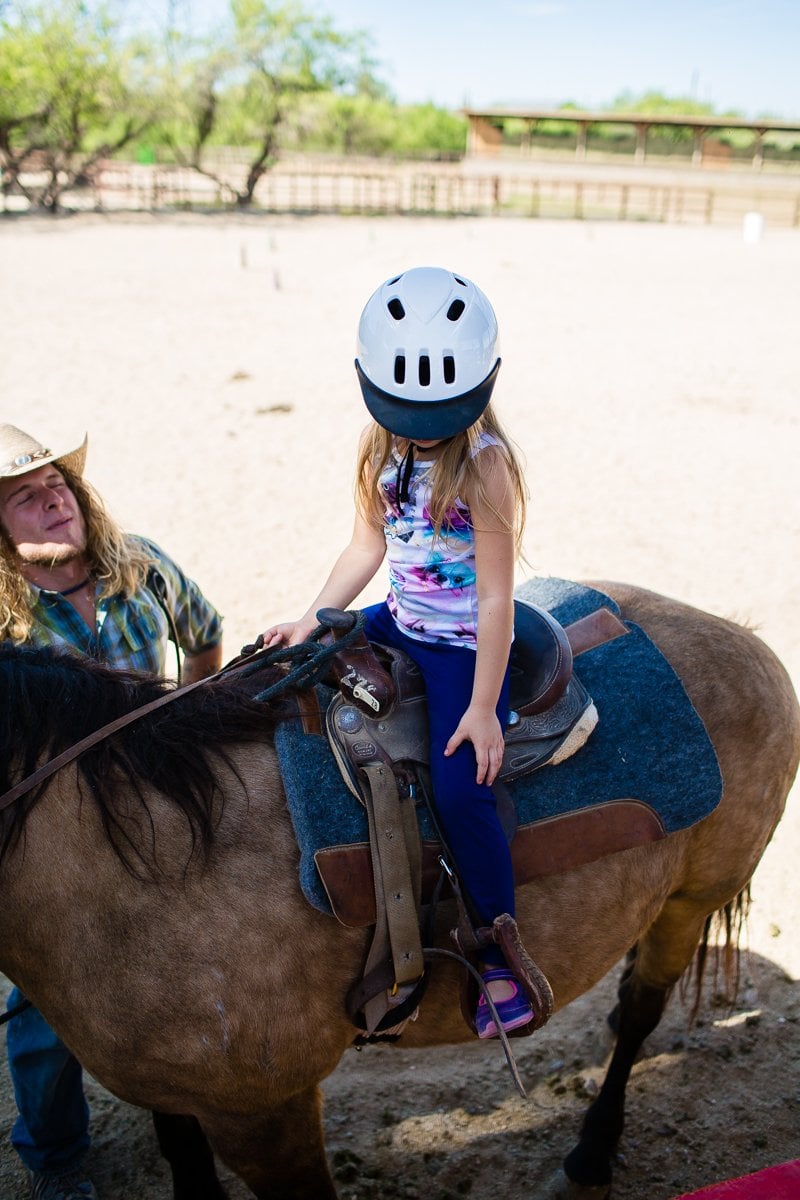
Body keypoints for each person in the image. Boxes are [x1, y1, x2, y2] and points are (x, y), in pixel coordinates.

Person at [262, 265, 543, 1040]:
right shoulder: (377, 448)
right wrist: (319, 619)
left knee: (460, 790)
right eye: (407, 411)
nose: (422, 427)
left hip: (459, 641)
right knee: (294, 677)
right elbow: (365, 546)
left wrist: (484, 706)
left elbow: (493, 598)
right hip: (397, 615)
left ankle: (497, 948)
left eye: (438, 413)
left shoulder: (485, 464)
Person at [0, 422, 223, 1200]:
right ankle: (56, 1161)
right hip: (64, 831)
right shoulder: (6, 621)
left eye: (56, 484)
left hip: (167, 798)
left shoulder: (144, 564)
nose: (51, 499)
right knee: (42, 1005)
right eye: (24, 496)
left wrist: (194, 715)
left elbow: (205, 638)